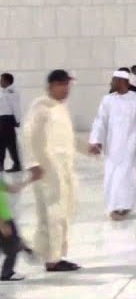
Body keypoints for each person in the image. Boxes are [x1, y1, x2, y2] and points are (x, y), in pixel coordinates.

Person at [23, 69, 79, 272]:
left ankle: (53, 255)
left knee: (62, 213)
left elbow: (68, 138)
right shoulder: (41, 107)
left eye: (68, 85)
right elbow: (28, 135)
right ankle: (52, 259)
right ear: (52, 86)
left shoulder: (60, 108)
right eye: (63, 85)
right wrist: (32, 164)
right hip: (47, 171)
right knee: (53, 214)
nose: (66, 89)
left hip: (63, 170)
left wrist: (87, 149)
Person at [89, 71, 136, 220]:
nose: (111, 83)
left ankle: (123, 206)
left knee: (125, 176)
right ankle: (114, 206)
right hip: (112, 145)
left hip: (130, 145)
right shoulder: (107, 100)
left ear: (122, 81)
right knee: (112, 176)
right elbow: (100, 121)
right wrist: (96, 140)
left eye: (114, 80)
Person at [0, 175, 34, 282]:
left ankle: (22, 246)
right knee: (11, 249)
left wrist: (29, 180)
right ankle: (7, 273)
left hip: (6, 217)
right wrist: (2, 224)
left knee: (11, 242)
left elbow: (11, 189)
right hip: (3, 219)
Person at [0, 74, 21, 173]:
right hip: (3, 120)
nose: (0, 82)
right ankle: (1, 165)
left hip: (7, 120)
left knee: (10, 144)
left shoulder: (11, 91)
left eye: (2, 80)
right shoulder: (5, 91)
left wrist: (17, 120)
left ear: (7, 81)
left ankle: (17, 165)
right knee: (2, 143)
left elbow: (15, 106)